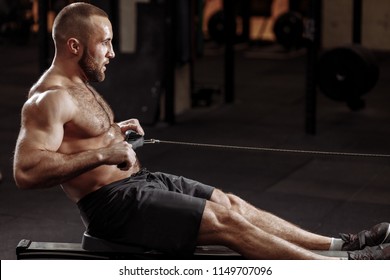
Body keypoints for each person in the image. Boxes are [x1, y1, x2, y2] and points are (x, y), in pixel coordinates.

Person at [12, 2, 390, 260]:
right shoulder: (48, 98)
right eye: (105, 43)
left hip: (140, 183)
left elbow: (79, 137)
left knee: (232, 205)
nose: (112, 51)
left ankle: (342, 244)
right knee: (220, 222)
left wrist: (113, 131)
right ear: (75, 45)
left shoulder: (79, 82)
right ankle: (339, 270)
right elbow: (26, 172)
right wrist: (102, 153)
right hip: (111, 206)